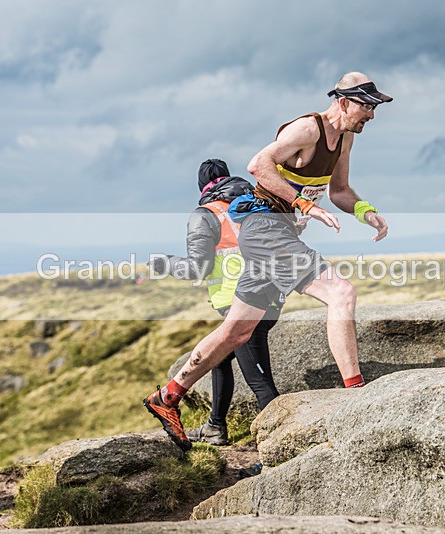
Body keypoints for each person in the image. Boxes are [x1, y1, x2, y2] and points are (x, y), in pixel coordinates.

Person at [144, 72, 391, 451]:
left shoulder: (345, 139)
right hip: (266, 227)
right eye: (366, 106)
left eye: (374, 107)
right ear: (343, 101)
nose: (371, 115)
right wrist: (304, 203)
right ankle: (356, 395)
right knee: (341, 293)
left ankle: (168, 396)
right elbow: (259, 165)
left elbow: (339, 189)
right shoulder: (308, 128)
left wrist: (365, 211)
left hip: (275, 236)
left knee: (237, 332)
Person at [148, 160, 281, 468]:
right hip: (272, 294)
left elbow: (198, 267)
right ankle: (215, 427)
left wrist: (164, 263)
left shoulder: (206, 215)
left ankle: (278, 454)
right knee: (220, 359)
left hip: (242, 302)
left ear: (202, 188)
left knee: (260, 383)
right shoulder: (256, 203)